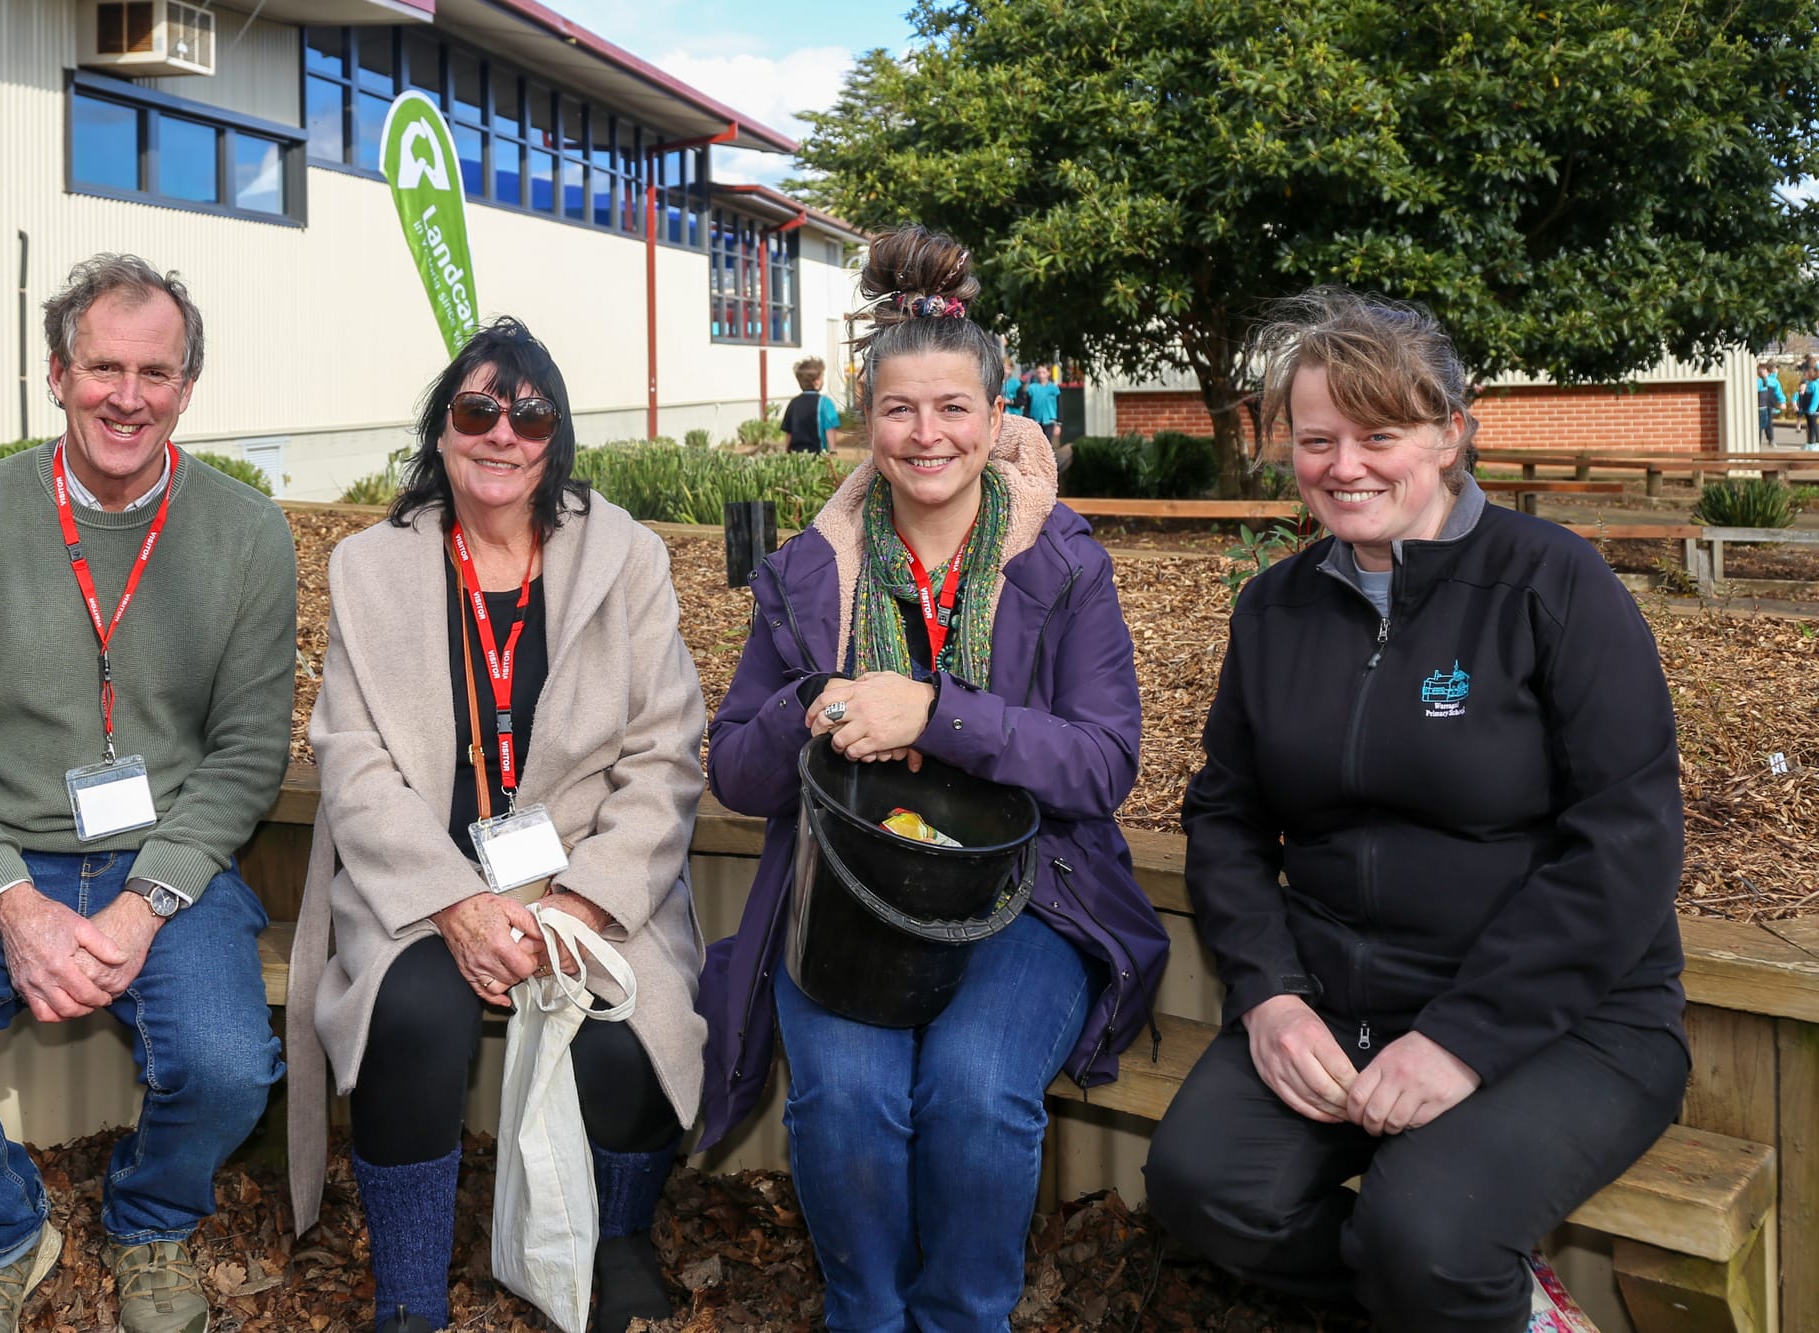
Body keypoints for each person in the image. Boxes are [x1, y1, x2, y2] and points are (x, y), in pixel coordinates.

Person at [1144, 289, 1690, 1333]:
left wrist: (1460, 1040)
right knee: (1205, 1187)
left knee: (1424, 1234)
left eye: (1377, 435)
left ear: (1447, 435)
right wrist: (1267, 995)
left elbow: (1626, 841)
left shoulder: (1552, 586)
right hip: (1340, 1000)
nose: (1343, 466)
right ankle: (1465, 1308)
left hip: (1565, 1020)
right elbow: (1222, 819)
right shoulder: (1274, 608)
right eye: (1315, 440)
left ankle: (1468, 1299)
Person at [698, 226, 1169, 1333]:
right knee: (849, 1094)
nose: (926, 435)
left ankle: (962, 1316)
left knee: (970, 1090)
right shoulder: (811, 568)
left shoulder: (1062, 563)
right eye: (899, 409)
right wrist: (807, 701)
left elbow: (1102, 763)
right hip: (853, 888)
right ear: (865, 419)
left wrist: (939, 714)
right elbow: (732, 771)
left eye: (953, 408)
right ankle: (863, 1312)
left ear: (996, 419)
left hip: (1026, 890)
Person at [0, 254, 295, 1333]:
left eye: (155, 371)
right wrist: (17, 905)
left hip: (165, 860)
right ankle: (1, 1230)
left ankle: (149, 1219)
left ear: (187, 386)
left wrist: (147, 903)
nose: (126, 396)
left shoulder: (245, 534)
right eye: (102, 367)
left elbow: (242, 754)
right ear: (55, 373)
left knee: (232, 1068)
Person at [285, 316, 708, 1333]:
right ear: (441, 430)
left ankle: (619, 1237)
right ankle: (411, 1287)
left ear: (554, 437)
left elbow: (665, 750)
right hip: (423, 875)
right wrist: (457, 902)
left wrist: (583, 900)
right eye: (477, 410)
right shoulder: (372, 568)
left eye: (528, 416)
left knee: (624, 1028)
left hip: (591, 871)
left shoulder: (629, 559)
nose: (501, 435)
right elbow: (353, 757)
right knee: (414, 1015)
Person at [779, 354, 842, 452]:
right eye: (822, 377)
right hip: (818, 454)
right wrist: (833, 449)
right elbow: (830, 429)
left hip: (795, 455)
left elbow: (789, 432)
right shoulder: (825, 403)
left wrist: (786, 451)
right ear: (816, 383)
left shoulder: (793, 403)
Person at [1757, 361, 1786, 446]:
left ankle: (1771, 439)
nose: (1776, 371)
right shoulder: (1759, 380)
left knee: (1768, 422)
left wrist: (1782, 401)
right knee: (1760, 424)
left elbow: (1779, 393)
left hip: (1770, 405)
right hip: (1761, 404)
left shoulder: (1775, 381)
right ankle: (1758, 441)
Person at [1797, 368, 1819, 448]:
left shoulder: (1814, 384)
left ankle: (1816, 442)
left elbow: (1816, 397)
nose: (1805, 375)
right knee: (1810, 426)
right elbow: (1804, 397)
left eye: (1806, 374)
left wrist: (1812, 409)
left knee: (1814, 426)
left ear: (1811, 375)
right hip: (1808, 410)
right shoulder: (1808, 384)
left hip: (1813, 411)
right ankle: (1810, 443)